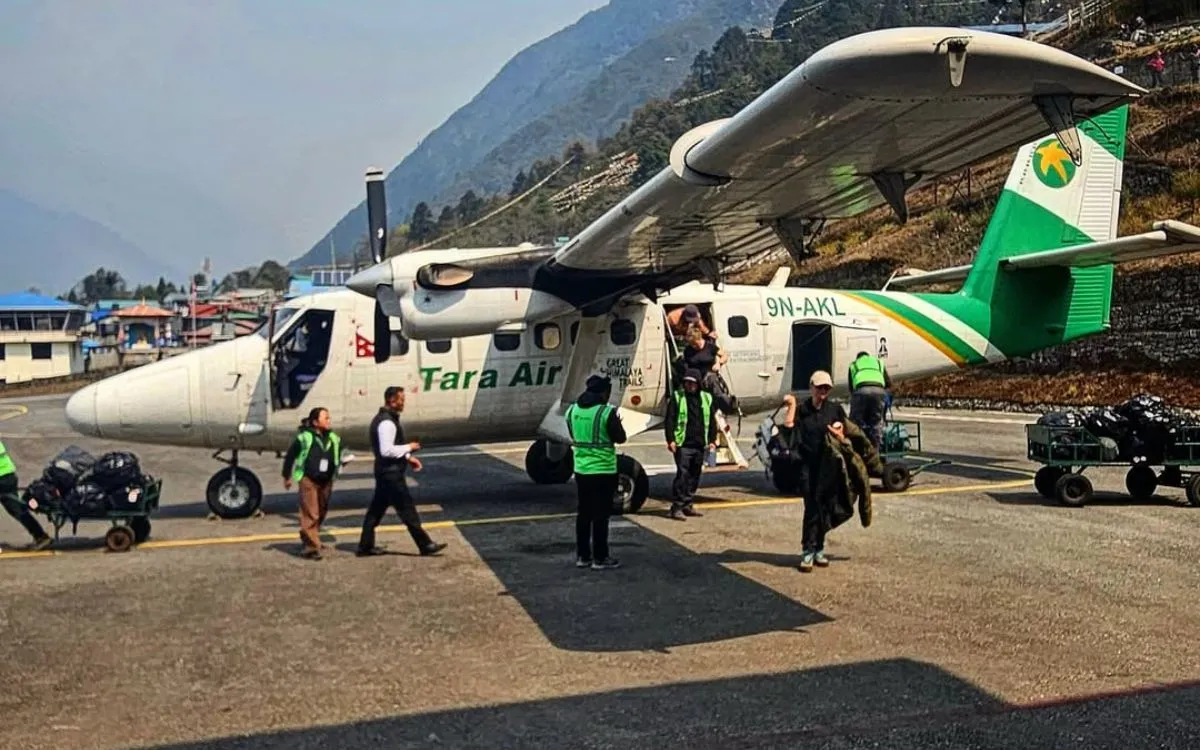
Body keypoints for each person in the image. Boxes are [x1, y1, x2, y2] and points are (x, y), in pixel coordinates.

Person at [357, 387, 446, 557]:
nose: (403, 403)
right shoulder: (387, 423)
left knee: (375, 512)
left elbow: (390, 448)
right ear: (392, 400)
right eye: (401, 400)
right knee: (407, 511)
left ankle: (365, 546)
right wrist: (409, 447)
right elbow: (386, 450)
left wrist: (407, 457)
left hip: (386, 472)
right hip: (391, 475)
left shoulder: (387, 419)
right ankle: (425, 544)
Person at [777, 370, 847, 573]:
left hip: (828, 466)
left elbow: (845, 434)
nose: (823, 391)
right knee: (811, 508)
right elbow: (789, 427)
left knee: (825, 508)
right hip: (807, 466)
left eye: (826, 387)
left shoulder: (834, 409)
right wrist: (790, 405)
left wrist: (838, 433)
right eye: (819, 387)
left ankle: (819, 549)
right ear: (811, 387)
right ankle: (807, 550)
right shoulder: (803, 409)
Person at [564, 374, 626, 570]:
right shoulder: (606, 412)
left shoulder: (572, 411)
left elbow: (573, 433)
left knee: (584, 514)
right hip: (604, 469)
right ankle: (600, 557)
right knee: (601, 515)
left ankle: (583, 556)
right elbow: (620, 438)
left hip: (582, 468)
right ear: (603, 393)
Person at [281, 407, 342, 560]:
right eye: (325, 418)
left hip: (326, 480)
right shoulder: (304, 438)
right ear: (315, 422)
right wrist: (286, 476)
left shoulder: (334, 438)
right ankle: (310, 547)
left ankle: (313, 538)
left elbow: (338, 455)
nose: (329, 421)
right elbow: (290, 456)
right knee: (311, 512)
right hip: (308, 479)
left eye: (329, 418)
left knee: (321, 511)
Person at [664, 369, 717, 521]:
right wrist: (671, 440)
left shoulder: (706, 398)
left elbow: (712, 421)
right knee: (683, 475)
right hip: (683, 444)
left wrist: (712, 440)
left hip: (700, 444)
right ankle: (677, 506)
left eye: (692, 383)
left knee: (695, 475)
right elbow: (670, 420)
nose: (689, 385)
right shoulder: (677, 397)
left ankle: (687, 503)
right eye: (687, 382)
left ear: (698, 384)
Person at [0, 438, 52, 551]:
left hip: (3, 478)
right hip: (7, 475)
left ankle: (41, 536)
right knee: (16, 510)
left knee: (16, 509)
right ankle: (40, 536)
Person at [847, 350, 891, 454]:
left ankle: (856, 448)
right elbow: (888, 383)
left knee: (855, 422)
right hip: (879, 390)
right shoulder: (878, 362)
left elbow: (851, 388)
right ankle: (875, 450)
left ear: (858, 358)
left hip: (861, 390)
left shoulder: (854, 365)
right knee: (876, 422)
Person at [682, 326, 728, 394]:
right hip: (695, 378)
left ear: (700, 338)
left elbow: (724, 356)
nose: (693, 346)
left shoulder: (710, 347)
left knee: (713, 383)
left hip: (709, 376)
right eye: (691, 344)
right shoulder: (688, 350)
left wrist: (719, 363)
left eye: (695, 344)